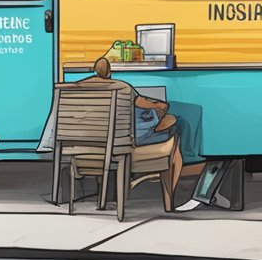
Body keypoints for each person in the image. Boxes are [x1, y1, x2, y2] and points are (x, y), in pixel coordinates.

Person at [77, 57, 183, 185]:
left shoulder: (76, 90)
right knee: (172, 130)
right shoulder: (122, 88)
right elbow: (148, 104)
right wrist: (160, 106)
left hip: (86, 146)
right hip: (119, 146)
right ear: (109, 73)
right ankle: (169, 199)